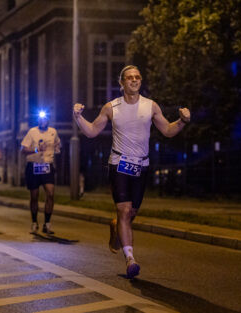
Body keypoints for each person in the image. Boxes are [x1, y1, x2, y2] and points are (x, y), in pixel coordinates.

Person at [73, 65, 191, 279]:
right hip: (119, 164)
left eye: (137, 77)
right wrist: (78, 117)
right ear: (122, 83)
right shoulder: (111, 107)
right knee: (125, 210)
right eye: (129, 78)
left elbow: (168, 130)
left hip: (141, 166)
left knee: (131, 213)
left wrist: (182, 121)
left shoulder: (151, 106)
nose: (134, 80)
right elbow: (91, 131)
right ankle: (130, 259)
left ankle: (116, 226)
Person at [21, 111, 61, 235]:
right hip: (34, 166)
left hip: (47, 166)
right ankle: (34, 222)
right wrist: (37, 149)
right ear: (38, 120)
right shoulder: (32, 132)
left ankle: (47, 223)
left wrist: (57, 148)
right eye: (40, 119)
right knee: (34, 196)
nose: (42, 121)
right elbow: (23, 149)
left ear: (48, 120)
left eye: (45, 119)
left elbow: (58, 145)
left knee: (50, 193)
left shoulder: (53, 132)